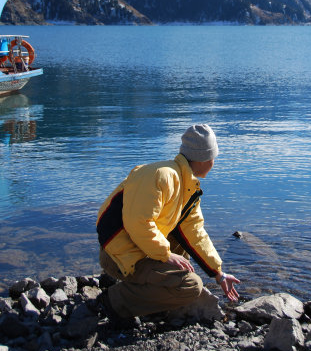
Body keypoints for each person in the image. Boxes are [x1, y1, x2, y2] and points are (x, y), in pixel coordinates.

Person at [96, 124, 240, 322]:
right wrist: (165, 254)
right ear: (205, 158)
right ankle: (112, 302)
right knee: (191, 286)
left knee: (183, 243)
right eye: (214, 157)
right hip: (118, 255)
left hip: (136, 247)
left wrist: (218, 273)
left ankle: (156, 297)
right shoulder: (162, 176)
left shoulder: (186, 185)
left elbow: (195, 233)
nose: (215, 162)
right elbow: (139, 223)